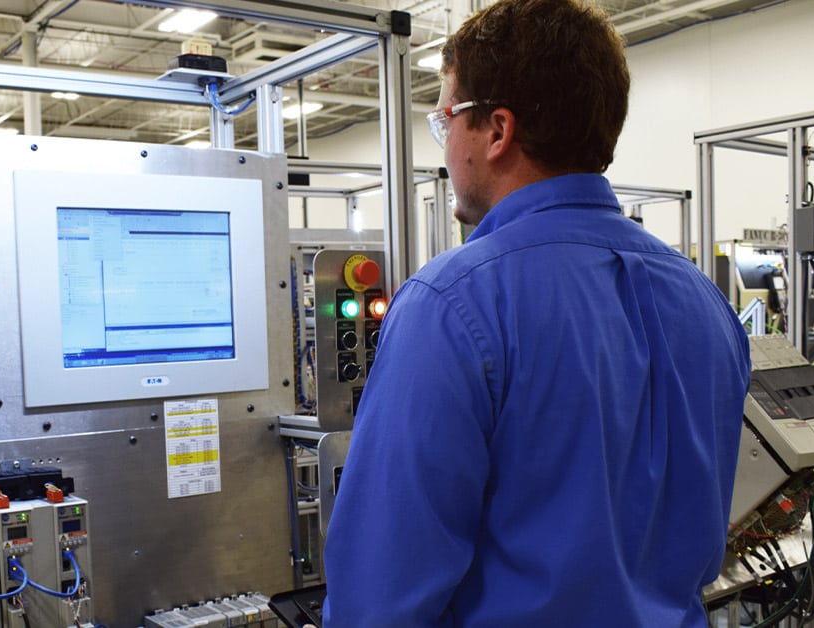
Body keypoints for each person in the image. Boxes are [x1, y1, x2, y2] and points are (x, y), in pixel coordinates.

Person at [321, 0, 751, 625]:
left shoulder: (451, 304)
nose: (445, 149)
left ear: (497, 131)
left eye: (447, 120)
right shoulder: (706, 302)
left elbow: (380, 595)